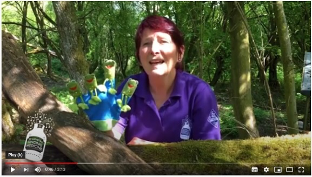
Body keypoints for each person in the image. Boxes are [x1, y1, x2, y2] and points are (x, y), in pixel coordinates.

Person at [109, 15, 221, 145]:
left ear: (180, 52)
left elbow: (210, 152)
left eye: (163, 42)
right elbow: (112, 135)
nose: (154, 50)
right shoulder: (130, 87)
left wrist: (150, 149)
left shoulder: (199, 92)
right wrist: (102, 121)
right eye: (146, 43)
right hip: (135, 166)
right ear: (138, 56)